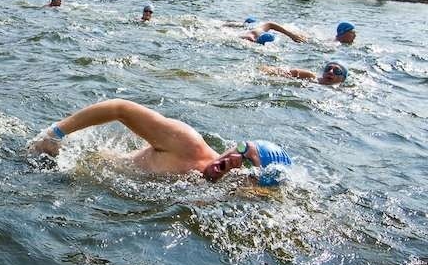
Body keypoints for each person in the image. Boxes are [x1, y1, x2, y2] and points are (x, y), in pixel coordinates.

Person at [28, 98, 291, 185]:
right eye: (241, 149)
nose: (234, 158)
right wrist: (54, 136)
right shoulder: (189, 145)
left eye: (247, 163)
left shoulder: (232, 196)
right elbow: (120, 108)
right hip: (62, 170)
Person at [261, 61, 348, 86]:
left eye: (337, 71)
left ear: (343, 79)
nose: (330, 71)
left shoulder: (343, 91)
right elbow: (283, 71)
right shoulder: (310, 76)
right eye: (328, 68)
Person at [242, 18, 306, 44]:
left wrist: (291, 35)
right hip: (248, 27)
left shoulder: (257, 32)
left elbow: (270, 24)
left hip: (254, 25)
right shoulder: (248, 38)